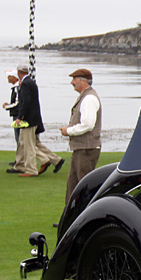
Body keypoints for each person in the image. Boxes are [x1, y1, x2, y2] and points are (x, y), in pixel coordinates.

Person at [9, 65, 63, 177]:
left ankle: (31, 169)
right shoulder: (31, 82)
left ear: (19, 72)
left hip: (29, 119)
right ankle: (54, 160)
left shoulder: (25, 84)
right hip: (34, 118)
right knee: (28, 142)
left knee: (29, 145)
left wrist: (20, 117)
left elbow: (25, 102)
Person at [59, 68, 102, 204]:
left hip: (87, 150)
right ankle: (70, 219)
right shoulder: (85, 96)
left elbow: (88, 124)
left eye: (74, 79)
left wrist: (69, 131)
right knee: (73, 184)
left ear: (83, 81)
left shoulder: (89, 98)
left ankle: (85, 219)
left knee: (84, 186)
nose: (72, 82)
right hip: (81, 149)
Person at [2, 70, 21, 159]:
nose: (8, 78)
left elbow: (18, 104)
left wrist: (7, 107)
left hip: (18, 116)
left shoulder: (17, 88)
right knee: (19, 139)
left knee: (19, 139)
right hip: (17, 115)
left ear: (14, 77)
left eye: (9, 76)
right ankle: (19, 160)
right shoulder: (16, 88)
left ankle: (20, 161)